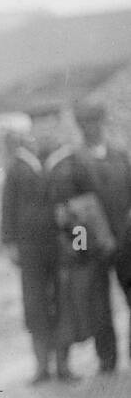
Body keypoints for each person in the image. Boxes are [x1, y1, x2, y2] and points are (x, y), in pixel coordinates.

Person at [52, 100, 131, 373]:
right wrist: (81, 248)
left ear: (103, 123)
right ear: (79, 126)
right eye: (85, 123)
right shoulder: (73, 163)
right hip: (93, 249)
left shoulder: (120, 157)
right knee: (100, 309)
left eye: (95, 122)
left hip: (125, 243)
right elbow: (68, 213)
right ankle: (107, 361)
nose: (91, 128)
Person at [1, 108, 77, 382]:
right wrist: (10, 243)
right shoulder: (19, 166)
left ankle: (63, 365)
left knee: (63, 302)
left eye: (50, 127)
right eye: (39, 127)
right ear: (31, 131)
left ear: (56, 129)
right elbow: (7, 208)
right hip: (30, 248)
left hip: (60, 245)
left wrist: (78, 241)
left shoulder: (66, 163)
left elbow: (80, 206)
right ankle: (41, 366)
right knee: (35, 305)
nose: (44, 133)